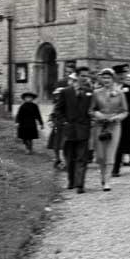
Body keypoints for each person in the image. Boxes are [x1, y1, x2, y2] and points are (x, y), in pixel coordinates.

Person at [54, 66, 93, 194]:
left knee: (82, 157)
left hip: (83, 129)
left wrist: (89, 121)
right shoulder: (66, 92)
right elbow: (58, 110)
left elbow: (91, 110)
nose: (85, 78)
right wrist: (64, 122)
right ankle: (71, 181)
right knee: (70, 157)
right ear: (76, 76)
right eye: (82, 76)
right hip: (69, 129)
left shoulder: (89, 92)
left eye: (87, 76)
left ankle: (80, 184)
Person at [90, 68, 128, 191]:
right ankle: (102, 175)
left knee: (110, 154)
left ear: (113, 79)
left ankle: (107, 181)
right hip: (100, 126)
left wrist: (117, 117)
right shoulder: (96, 93)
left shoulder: (120, 93)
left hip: (114, 126)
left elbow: (125, 111)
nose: (106, 80)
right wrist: (97, 115)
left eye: (109, 78)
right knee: (101, 155)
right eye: (104, 78)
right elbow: (90, 110)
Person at [112, 71, 130, 177]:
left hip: (123, 120)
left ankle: (115, 168)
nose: (122, 77)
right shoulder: (109, 87)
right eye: (119, 74)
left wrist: (125, 108)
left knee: (119, 144)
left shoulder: (128, 88)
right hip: (108, 118)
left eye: (123, 75)